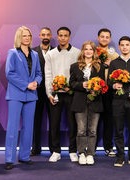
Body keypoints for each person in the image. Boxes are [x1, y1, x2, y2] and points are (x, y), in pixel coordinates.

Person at [4, 26, 42, 170]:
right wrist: (26, 85)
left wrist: (36, 82)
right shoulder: (12, 53)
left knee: (28, 127)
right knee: (13, 127)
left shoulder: (35, 54)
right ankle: (9, 159)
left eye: (29, 35)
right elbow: (9, 73)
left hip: (31, 96)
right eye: (24, 35)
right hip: (16, 94)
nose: (27, 38)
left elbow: (39, 73)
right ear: (19, 37)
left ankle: (25, 156)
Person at [45, 27, 80, 162]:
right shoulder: (51, 54)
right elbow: (48, 74)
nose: (63, 38)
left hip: (71, 93)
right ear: (57, 37)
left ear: (69, 37)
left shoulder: (77, 53)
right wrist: (49, 93)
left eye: (66, 35)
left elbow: (79, 74)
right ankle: (55, 151)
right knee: (54, 123)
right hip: (55, 94)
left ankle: (72, 150)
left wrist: (71, 88)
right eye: (61, 35)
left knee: (73, 123)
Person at [108, 36, 130, 167]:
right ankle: (120, 157)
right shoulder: (114, 63)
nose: (124, 47)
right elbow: (109, 81)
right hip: (117, 101)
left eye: (127, 45)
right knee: (118, 130)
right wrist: (113, 86)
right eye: (122, 45)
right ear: (119, 47)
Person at [69, 41, 106, 165]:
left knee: (92, 130)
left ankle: (90, 153)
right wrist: (82, 85)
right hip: (79, 101)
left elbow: (103, 84)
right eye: (86, 49)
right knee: (81, 130)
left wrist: (95, 88)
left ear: (94, 51)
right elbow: (72, 84)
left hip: (95, 102)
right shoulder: (75, 66)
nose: (88, 51)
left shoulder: (99, 66)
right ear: (83, 51)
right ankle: (82, 153)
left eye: (91, 49)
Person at [31, 27, 54, 156]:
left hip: (52, 90)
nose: (45, 36)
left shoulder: (56, 52)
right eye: (43, 34)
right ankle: (36, 148)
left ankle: (53, 148)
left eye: (48, 34)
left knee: (53, 120)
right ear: (39, 36)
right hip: (37, 91)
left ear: (50, 36)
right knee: (36, 120)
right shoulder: (33, 51)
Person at [96, 28, 119, 157]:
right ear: (98, 38)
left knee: (109, 121)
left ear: (109, 39)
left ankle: (108, 147)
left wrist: (111, 64)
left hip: (110, 92)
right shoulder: (91, 53)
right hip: (95, 90)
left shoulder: (114, 55)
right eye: (102, 36)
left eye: (107, 37)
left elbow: (118, 73)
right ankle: (91, 147)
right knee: (93, 120)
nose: (104, 39)